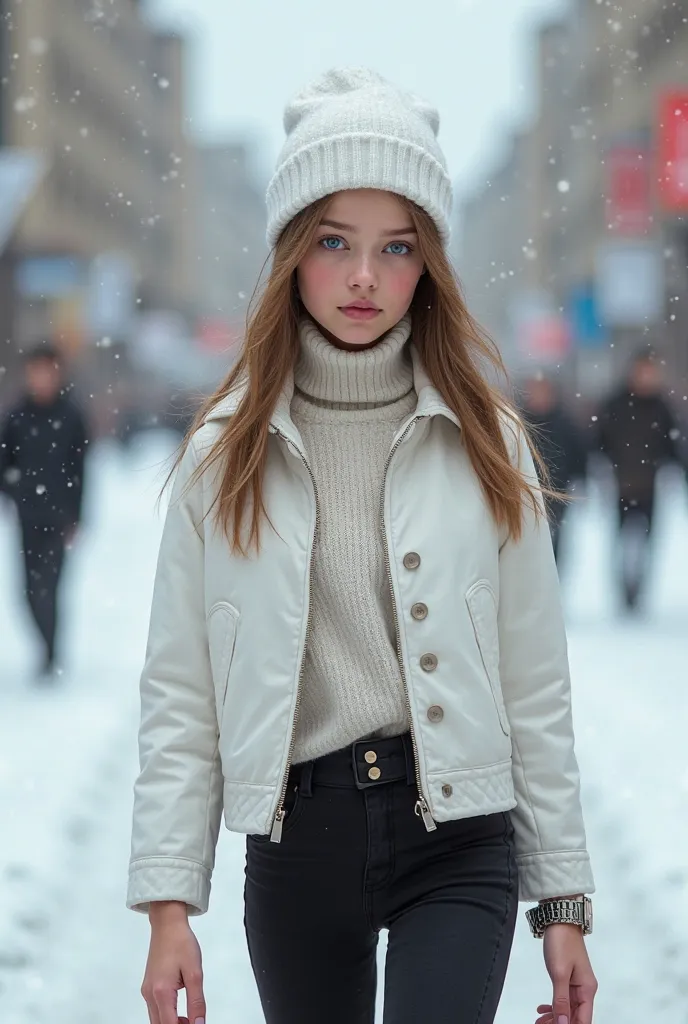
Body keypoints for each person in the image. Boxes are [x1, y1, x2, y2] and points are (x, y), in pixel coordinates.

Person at [128, 68, 597, 1024]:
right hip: (300, 845)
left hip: (459, 841)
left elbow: (534, 686)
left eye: (397, 247)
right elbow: (181, 694)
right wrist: (167, 906)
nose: (363, 278)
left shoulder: (488, 444)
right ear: (292, 251)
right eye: (334, 241)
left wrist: (562, 901)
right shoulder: (226, 455)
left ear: (428, 265)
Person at [0, 343, 88, 677]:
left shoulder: (71, 415)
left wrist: (78, 516)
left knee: (49, 588)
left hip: (59, 518)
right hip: (27, 517)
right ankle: (45, 648)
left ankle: (51, 655)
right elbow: (3, 463)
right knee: (26, 591)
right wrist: (16, 490)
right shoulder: (17, 416)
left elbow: (81, 471)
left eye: (48, 370)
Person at [596, 348, 686, 610]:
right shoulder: (616, 404)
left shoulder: (662, 407)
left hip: (650, 486)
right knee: (621, 541)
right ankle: (624, 591)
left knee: (646, 542)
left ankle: (639, 591)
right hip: (621, 485)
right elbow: (600, 442)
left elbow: (674, 447)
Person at [520, 373, 588, 563]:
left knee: (553, 543)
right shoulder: (518, 423)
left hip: (556, 493)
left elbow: (579, 456)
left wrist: (580, 481)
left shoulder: (565, 424)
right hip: (525, 494)